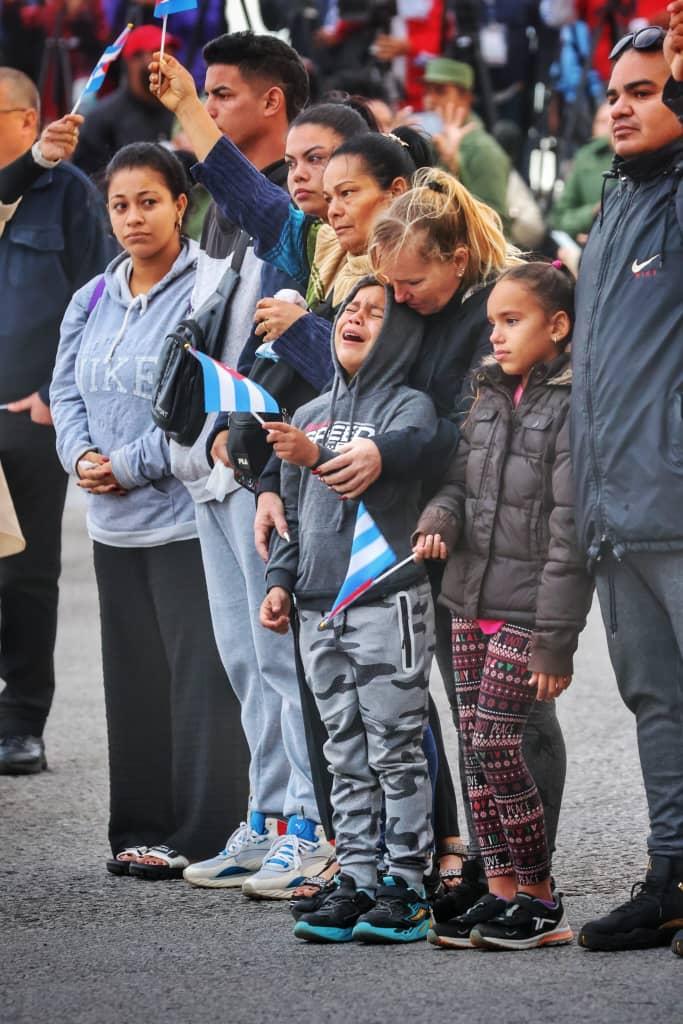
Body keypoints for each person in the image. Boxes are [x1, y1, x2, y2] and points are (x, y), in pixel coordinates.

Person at [150, 33, 334, 899]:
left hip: (271, 459)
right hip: (210, 459)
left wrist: (184, 104)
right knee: (240, 659)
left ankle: (309, 823)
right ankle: (265, 817)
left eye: (224, 94)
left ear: (274, 100)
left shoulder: (290, 215)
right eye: (206, 96)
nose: (211, 109)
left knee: (280, 657)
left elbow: (306, 351)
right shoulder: (227, 207)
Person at [50, 142, 249, 877]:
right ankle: (140, 826)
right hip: (112, 523)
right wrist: (80, 457)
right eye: (120, 205)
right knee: (131, 677)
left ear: (180, 204)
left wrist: (128, 465)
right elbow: (65, 386)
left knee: (196, 676)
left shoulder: (207, 290)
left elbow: (207, 402)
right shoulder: (94, 296)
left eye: (148, 202)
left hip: (184, 514)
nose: (134, 217)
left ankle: (202, 837)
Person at [414, 260, 593, 950]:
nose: (495, 336)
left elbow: (568, 534)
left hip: (524, 611)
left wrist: (555, 640)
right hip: (466, 598)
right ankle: (501, 893)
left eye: (511, 321)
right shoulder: (487, 395)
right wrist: (437, 518)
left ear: (557, 327)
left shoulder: (572, 409)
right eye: (491, 322)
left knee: (496, 741)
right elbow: (458, 483)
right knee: (475, 751)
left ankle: (542, 899)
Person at [261, 279, 437, 944]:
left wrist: (316, 456)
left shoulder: (408, 410)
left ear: (403, 336)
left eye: (375, 313)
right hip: (315, 610)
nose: (356, 319)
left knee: (394, 749)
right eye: (349, 311)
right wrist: (280, 581)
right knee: (343, 751)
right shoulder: (306, 412)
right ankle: (357, 878)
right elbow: (295, 517)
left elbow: (367, 469)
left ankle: (407, 885)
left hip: (384, 603)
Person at [570, 21, 683, 953]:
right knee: (655, 702)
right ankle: (669, 878)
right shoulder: (613, 207)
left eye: (644, 90)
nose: (620, 105)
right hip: (618, 515)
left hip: (676, 503)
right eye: (615, 92)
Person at [0, 72, 112, 776]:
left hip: (29, 416)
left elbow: (98, 292)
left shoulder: (71, 193)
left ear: (26, 117)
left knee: (27, 574)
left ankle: (21, 717)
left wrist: (54, 392)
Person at [74, 24, 178, 177]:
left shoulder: (180, 109)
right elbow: (87, 183)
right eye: (159, 52)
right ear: (133, 60)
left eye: (170, 52)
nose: (168, 61)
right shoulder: (102, 119)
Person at [421, 57, 511, 225]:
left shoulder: (484, 151)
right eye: (427, 91)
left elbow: (496, 223)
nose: (429, 100)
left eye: (440, 91)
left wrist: (452, 164)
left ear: (466, 98)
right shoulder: (427, 139)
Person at [550, 101, 614, 243]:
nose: (608, 126)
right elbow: (559, 218)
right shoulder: (584, 157)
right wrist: (592, 212)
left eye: (611, 119)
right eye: (600, 121)